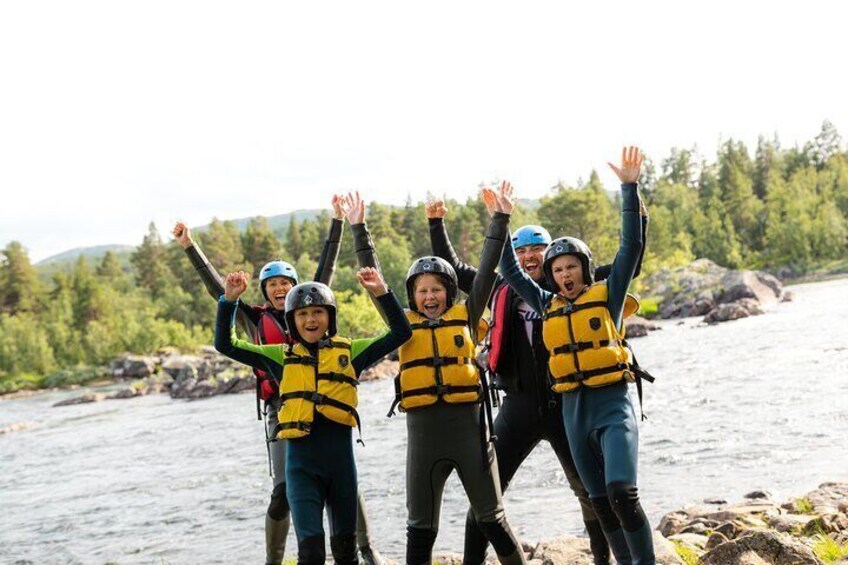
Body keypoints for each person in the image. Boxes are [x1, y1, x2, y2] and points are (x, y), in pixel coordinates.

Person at [425, 190, 648, 565]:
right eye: (521, 249)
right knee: (487, 490)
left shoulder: (577, 283)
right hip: (519, 404)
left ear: (555, 255)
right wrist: (436, 223)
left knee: (590, 492)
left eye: (538, 249)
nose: (530, 256)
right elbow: (452, 266)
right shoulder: (500, 286)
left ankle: (602, 559)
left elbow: (631, 260)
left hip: (571, 405)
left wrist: (640, 216)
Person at [172, 195, 383, 565]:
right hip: (281, 409)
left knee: (343, 484)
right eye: (272, 284)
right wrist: (191, 246)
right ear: (265, 291)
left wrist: (337, 221)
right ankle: (276, 559)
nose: (279, 288)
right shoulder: (255, 320)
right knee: (283, 490)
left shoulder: (310, 308)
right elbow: (217, 291)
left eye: (286, 282)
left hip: (327, 407)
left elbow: (326, 268)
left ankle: (367, 550)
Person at [346, 187, 527, 565]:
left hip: (471, 433)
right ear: (413, 296)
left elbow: (487, 267)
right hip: (425, 438)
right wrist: (359, 229)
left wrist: (500, 219)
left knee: (491, 519)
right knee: (421, 527)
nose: (430, 296)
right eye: (422, 291)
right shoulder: (402, 324)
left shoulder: (469, 312)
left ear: (449, 293)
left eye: (438, 290)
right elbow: (374, 278)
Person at [498, 147, 654, 564]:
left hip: (612, 404)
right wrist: (500, 219)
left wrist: (628, 187)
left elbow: (631, 244)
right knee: (601, 503)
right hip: (574, 411)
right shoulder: (544, 301)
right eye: (558, 270)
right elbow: (511, 272)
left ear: (585, 268)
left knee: (623, 492)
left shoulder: (610, 294)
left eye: (571, 267)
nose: (565, 275)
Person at [215, 267, 412, 565]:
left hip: (341, 470)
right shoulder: (279, 356)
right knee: (310, 553)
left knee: (346, 552)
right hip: (301, 472)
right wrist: (228, 301)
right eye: (302, 314)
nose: (311, 320)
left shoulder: (352, 353)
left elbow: (401, 332)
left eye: (318, 312)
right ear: (292, 320)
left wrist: (381, 292)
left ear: (329, 317)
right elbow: (226, 344)